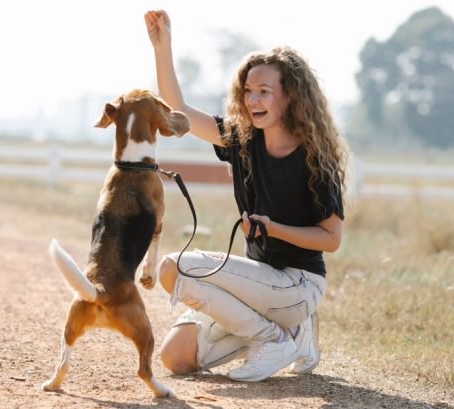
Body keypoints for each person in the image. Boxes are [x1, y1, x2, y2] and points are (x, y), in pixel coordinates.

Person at [144, 9, 349, 383]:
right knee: (176, 358)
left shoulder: (316, 159)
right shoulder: (242, 141)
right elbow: (180, 112)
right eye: (248, 91)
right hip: (259, 287)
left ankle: (273, 337)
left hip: (299, 285)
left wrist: (274, 228)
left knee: (172, 268)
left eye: (264, 91)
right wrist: (163, 47)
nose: (253, 99)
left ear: (290, 97)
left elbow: (331, 240)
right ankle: (294, 337)